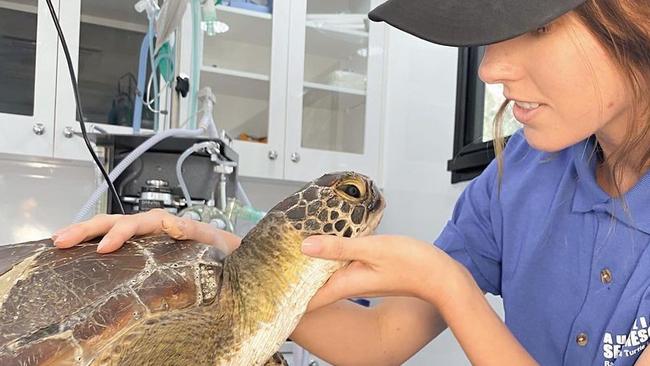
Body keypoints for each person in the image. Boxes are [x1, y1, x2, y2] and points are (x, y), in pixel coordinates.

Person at [51, 0, 650, 364]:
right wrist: (217, 255)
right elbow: (378, 336)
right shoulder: (517, 177)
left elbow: (439, 292)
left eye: (537, 25)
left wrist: (452, 290)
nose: (490, 67)